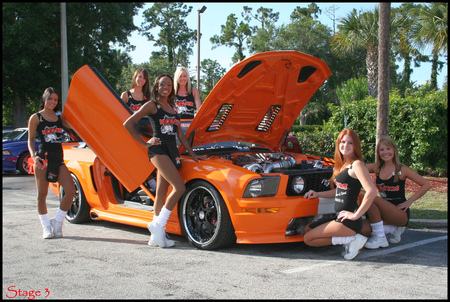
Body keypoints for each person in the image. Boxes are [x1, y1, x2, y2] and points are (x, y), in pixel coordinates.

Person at [124, 74, 207, 248]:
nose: (166, 87)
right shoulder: (151, 105)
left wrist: (192, 154)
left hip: (171, 150)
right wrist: (144, 143)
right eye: (162, 84)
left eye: (169, 85)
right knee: (179, 187)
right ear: (156, 86)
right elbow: (128, 123)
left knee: (161, 191)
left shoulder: (173, 107)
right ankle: (158, 225)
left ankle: (156, 238)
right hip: (158, 150)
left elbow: (180, 135)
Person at [303, 129, 377, 260]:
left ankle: (351, 240)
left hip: (349, 221)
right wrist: (318, 194)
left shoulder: (357, 164)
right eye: (343, 142)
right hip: (339, 216)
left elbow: (371, 191)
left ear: (356, 146)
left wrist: (356, 215)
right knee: (308, 229)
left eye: (350, 143)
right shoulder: (342, 166)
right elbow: (339, 191)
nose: (345, 145)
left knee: (308, 239)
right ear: (338, 144)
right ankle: (348, 240)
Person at [361, 136, 431, 249]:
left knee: (370, 196)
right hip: (384, 213)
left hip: (399, 212)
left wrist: (409, 201)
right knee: (362, 229)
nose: (385, 152)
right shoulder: (376, 168)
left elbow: (426, 185)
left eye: (388, 149)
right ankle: (393, 229)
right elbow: (358, 168)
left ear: (394, 150)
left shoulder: (402, 169)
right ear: (378, 152)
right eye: (382, 150)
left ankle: (380, 238)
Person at [28, 87, 75, 239]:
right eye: (50, 99)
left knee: (71, 190)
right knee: (42, 194)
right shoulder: (36, 117)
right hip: (42, 159)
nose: (53, 102)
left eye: (55, 99)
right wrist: (34, 156)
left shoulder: (60, 117)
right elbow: (30, 140)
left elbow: (75, 127)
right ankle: (46, 227)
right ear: (44, 98)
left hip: (58, 159)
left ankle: (58, 221)